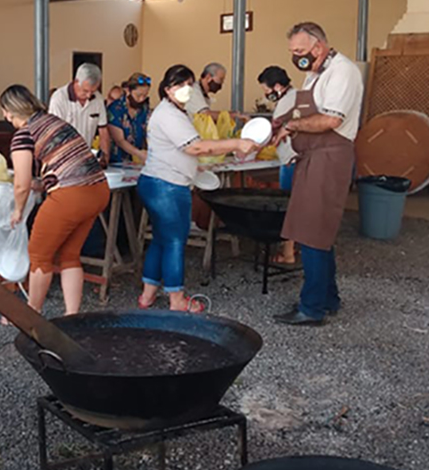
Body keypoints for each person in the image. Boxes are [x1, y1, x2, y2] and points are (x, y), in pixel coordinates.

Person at [138, 65, 257, 311]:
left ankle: (147, 295)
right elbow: (195, 147)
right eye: (178, 85)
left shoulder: (176, 112)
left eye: (188, 85)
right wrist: (236, 143)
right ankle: (177, 300)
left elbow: (179, 150)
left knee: (161, 239)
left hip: (161, 182)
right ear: (167, 89)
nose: (185, 90)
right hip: (166, 187)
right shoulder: (169, 114)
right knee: (174, 241)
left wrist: (194, 168)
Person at [271, 22, 363, 326]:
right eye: (292, 52)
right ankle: (329, 298)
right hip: (311, 158)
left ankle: (311, 308)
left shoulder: (343, 72)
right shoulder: (315, 73)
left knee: (312, 233)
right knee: (318, 231)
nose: (295, 56)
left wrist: (292, 126)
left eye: (299, 51)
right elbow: (303, 111)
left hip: (329, 157)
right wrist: (281, 121)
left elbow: (330, 120)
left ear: (318, 47)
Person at [1, 84, 109, 316]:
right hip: (99, 189)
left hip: (71, 195)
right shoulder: (54, 121)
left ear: (8, 112)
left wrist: (18, 211)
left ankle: (32, 315)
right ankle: (72, 316)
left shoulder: (23, 135)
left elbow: (21, 183)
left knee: (39, 255)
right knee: (70, 255)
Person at [257, 65, 298, 264]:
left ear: (278, 86)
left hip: (291, 159)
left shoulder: (284, 104)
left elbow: (272, 132)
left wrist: (250, 144)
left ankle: (288, 252)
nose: (266, 96)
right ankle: (296, 246)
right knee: (299, 205)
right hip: (301, 158)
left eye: (267, 91)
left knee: (288, 206)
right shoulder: (297, 95)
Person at [48, 63, 110, 166]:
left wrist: (105, 157)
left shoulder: (97, 99)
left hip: (86, 159)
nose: (89, 95)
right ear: (76, 81)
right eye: (85, 91)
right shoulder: (59, 99)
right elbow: (55, 135)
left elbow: (103, 131)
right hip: (63, 160)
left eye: (93, 91)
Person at [107, 72, 151, 164]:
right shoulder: (115, 109)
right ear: (128, 91)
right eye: (138, 95)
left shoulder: (144, 108)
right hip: (115, 162)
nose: (142, 99)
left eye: (145, 95)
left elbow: (148, 132)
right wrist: (139, 154)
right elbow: (119, 140)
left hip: (134, 162)